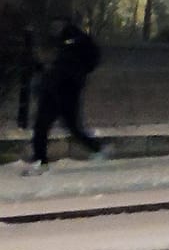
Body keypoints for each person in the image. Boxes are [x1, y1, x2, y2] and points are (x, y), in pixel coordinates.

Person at [20, 17, 109, 176]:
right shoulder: (72, 41)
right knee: (66, 126)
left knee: (46, 126)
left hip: (60, 89)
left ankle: (41, 161)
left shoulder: (70, 42)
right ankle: (97, 148)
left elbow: (60, 67)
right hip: (63, 89)